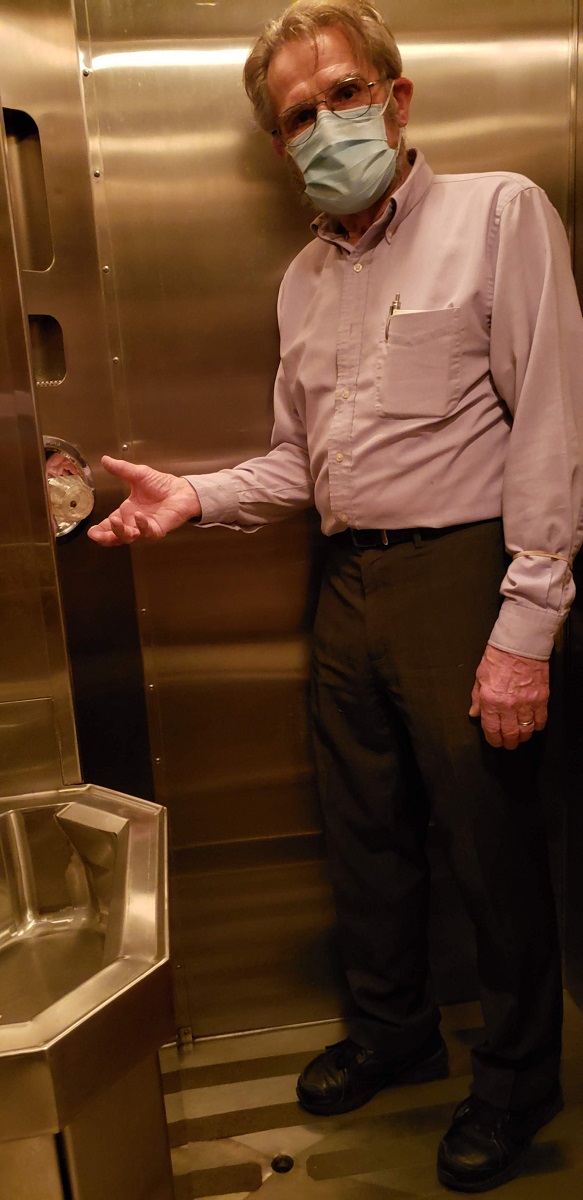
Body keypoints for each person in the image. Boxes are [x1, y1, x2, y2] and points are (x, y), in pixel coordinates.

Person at [88, 1, 583, 1191]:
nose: (324, 124)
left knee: (492, 847)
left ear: (396, 98)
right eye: (297, 114)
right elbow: (297, 465)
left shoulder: (499, 212)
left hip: (464, 571)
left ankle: (518, 1082)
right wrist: (194, 496)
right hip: (346, 580)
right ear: (278, 144)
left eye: (343, 94)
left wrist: (526, 628)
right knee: (363, 834)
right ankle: (394, 1033)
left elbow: (552, 429)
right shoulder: (303, 279)